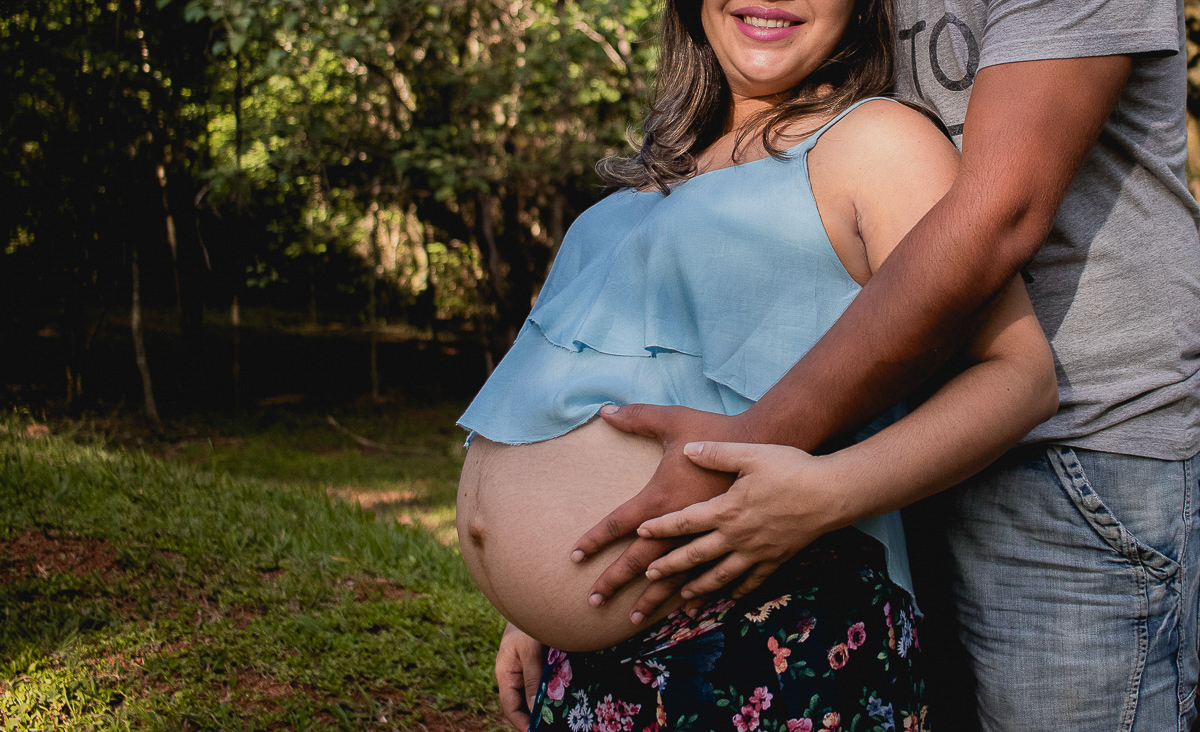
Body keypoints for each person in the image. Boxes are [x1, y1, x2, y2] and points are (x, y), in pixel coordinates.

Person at [547, 0, 1200, 729]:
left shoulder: (880, 139)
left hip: (1071, 448)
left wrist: (751, 443)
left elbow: (1001, 214)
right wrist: (550, 588)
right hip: (879, 427)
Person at [462, 0, 1060, 727]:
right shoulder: (667, 159)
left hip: (765, 635)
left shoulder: (876, 141)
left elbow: (1018, 376)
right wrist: (534, 605)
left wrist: (831, 490)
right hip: (593, 657)